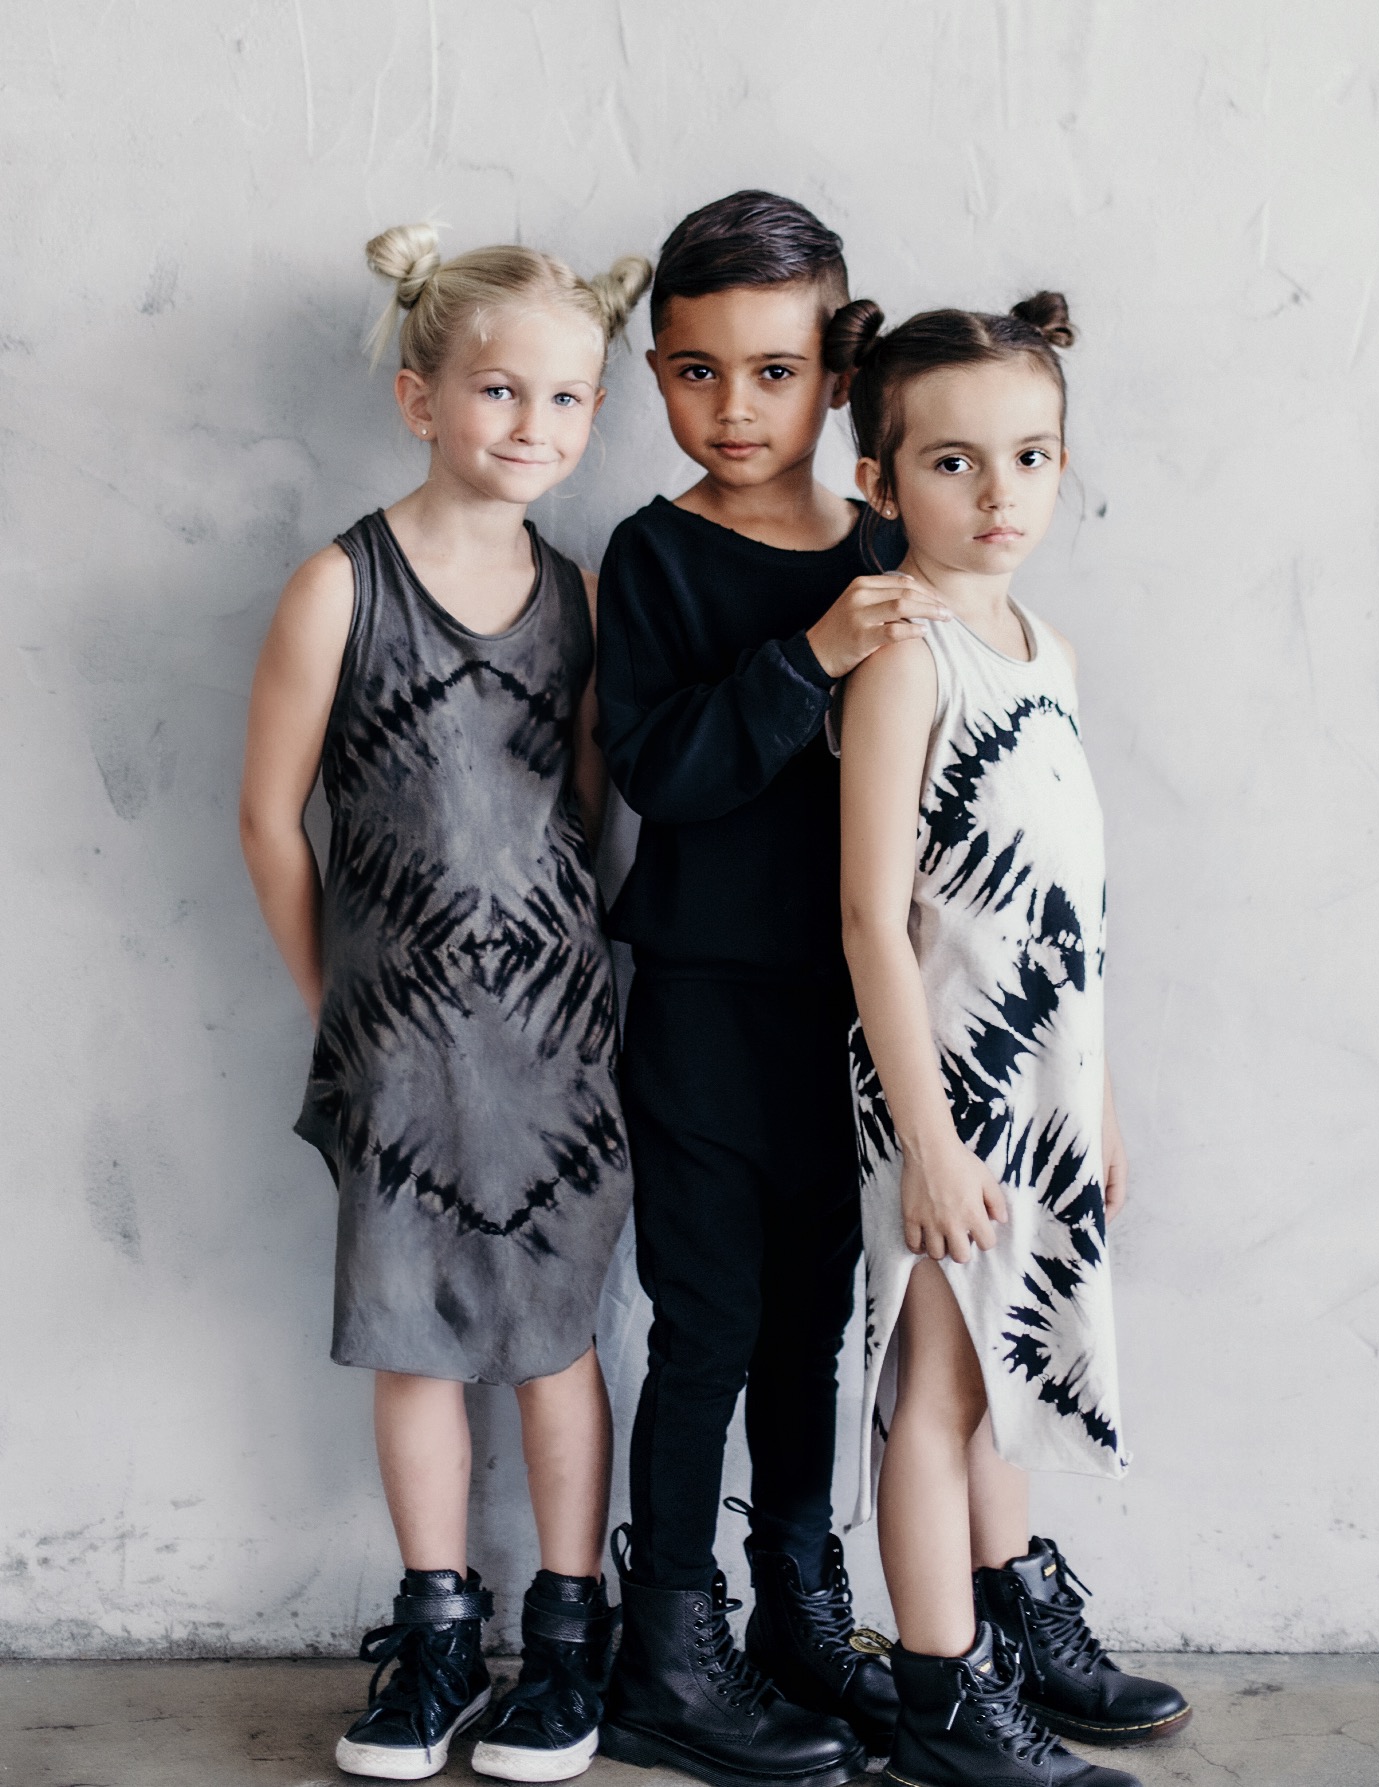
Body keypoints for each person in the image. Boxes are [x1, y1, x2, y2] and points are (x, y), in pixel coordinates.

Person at [238, 224, 649, 1783]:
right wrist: (335, 1001)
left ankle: (566, 1640)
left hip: (556, 1055)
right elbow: (270, 819)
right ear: (419, 397)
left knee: (555, 1345)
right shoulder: (337, 589)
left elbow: (590, 821)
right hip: (396, 1057)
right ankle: (433, 1641)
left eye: (567, 397)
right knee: (411, 1340)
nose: (534, 425)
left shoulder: (585, 601)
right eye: (498, 390)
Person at [593, 191, 948, 1787]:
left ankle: (799, 1610)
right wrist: (808, 657)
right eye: (696, 371)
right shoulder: (653, 555)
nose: (734, 408)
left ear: (836, 377)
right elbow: (659, 769)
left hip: (853, 1015)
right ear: (656, 375)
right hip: (701, 1009)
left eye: (775, 371)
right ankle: (667, 1650)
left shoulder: (884, 548)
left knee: (815, 1329)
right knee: (708, 1332)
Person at [832, 294, 1190, 1787]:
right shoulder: (909, 656)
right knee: (940, 1385)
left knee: (1003, 1368)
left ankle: (1011, 1620)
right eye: (953, 462)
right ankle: (942, 1698)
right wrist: (926, 1139)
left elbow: (1068, 912)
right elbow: (871, 916)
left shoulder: (1045, 648)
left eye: (1030, 457)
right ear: (878, 481)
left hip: (1042, 1084)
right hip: (945, 1090)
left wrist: (1093, 1103)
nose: (1000, 494)